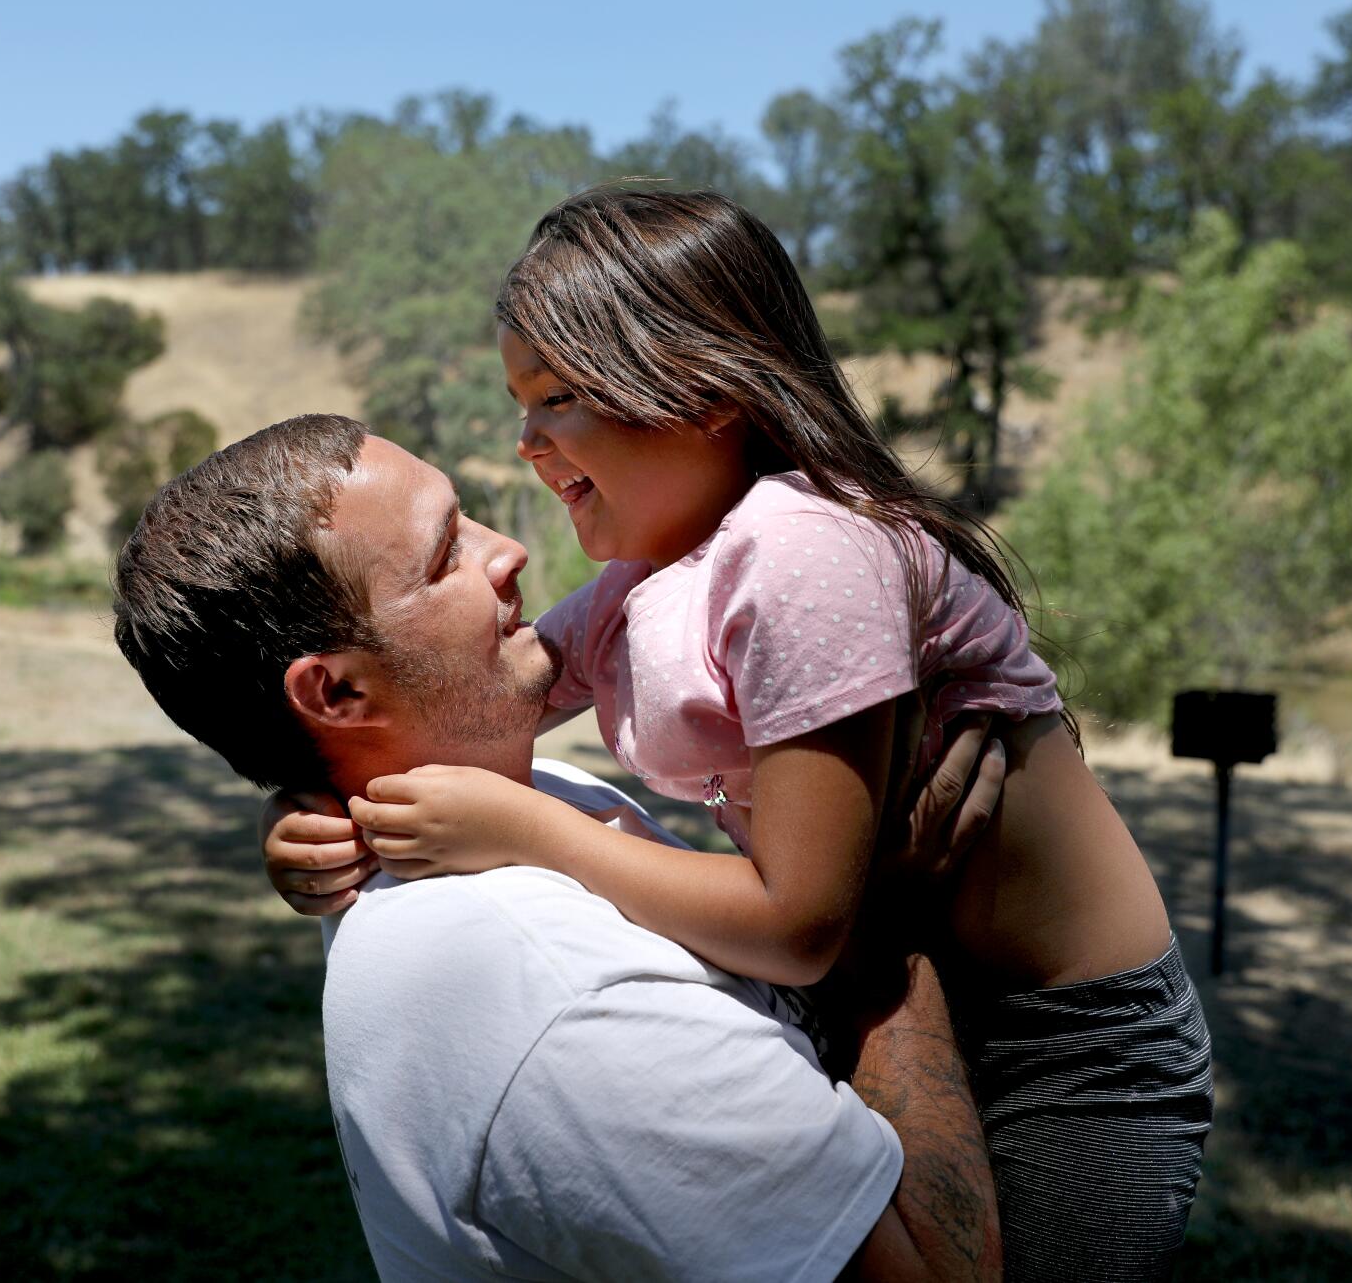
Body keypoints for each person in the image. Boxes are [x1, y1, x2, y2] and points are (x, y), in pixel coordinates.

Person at [274, 188, 1212, 1281]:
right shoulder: (656, 580)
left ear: (703, 391)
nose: (526, 442)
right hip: (914, 1004)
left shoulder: (805, 554)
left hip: (1065, 1045)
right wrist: (310, 804)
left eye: (559, 397)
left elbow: (796, 926)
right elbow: (467, 700)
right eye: (518, 401)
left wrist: (529, 831)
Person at [113, 414, 1008, 1281]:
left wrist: (302, 795)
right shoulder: (560, 1001)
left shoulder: (493, 817)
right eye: (444, 556)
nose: (508, 550)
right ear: (338, 692)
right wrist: (880, 931)